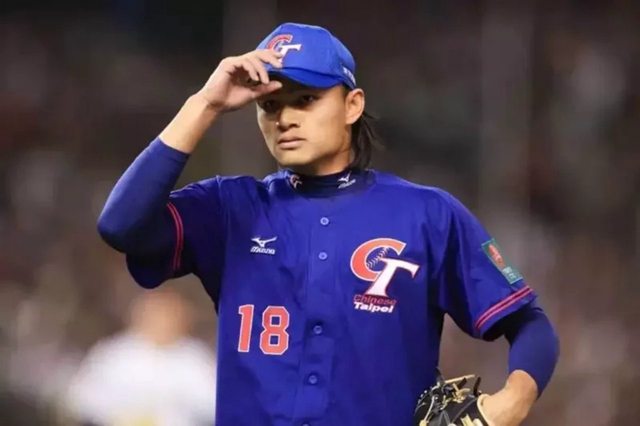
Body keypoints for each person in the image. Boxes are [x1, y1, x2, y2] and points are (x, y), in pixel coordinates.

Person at [98, 22, 559, 426]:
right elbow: (120, 225)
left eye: (306, 100)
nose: (285, 119)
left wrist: (512, 403)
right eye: (270, 105)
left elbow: (530, 324)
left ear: (352, 105)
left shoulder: (426, 214)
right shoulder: (229, 208)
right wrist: (205, 104)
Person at [66, 289, 216, 426]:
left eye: (168, 315)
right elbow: (81, 398)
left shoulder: (196, 358)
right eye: (156, 315)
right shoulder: (113, 354)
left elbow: (212, 403)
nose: (162, 322)